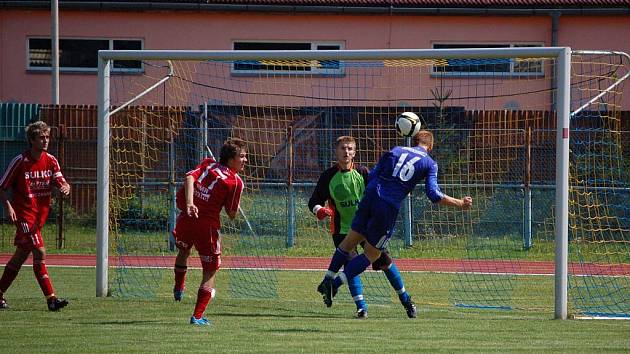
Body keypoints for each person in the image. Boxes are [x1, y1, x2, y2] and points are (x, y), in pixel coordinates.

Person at [317, 130, 473, 313]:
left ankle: (327, 278)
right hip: (387, 206)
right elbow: (434, 194)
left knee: (347, 243)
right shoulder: (430, 163)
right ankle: (335, 284)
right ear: (430, 147)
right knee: (373, 254)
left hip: (370, 197)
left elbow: (374, 174)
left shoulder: (397, 150)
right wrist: (459, 203)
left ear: (413, 141)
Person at [310, 136, 419, 319]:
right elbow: (314, 201)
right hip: (343, 229)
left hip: (368, 227)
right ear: (336, 152)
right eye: (343, 148)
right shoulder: (328, 176)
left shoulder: (363, 172)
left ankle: (406, 300)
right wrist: (319, 210)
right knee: (351, 267)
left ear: (355, 152)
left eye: (350, 149)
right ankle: (361, 308)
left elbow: (379, 192)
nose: (346, 152)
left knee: (385, 262)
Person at [171, 138, 246, 326]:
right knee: (210, 272)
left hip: (186, 219)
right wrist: (234, 204)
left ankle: (179, 287)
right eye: (242, 157)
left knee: (183, 251)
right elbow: (231, 214)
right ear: (230, 160)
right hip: (207, 227)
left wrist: (190, 203)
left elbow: (189, 177)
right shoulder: (235, 182)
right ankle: (197, 316)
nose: (245, 161)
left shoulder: (207, 163)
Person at [0, 121, 71, 311]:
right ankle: (51, 299)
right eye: (41, 137)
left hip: (39, 218)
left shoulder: (51, 160)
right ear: (32, 140)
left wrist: (65, 187)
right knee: (40, 252)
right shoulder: (20, 161)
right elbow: (2, 186)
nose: (45, 140)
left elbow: (61, 181)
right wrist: (8, 206)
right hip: (25, 217)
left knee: (20, 257)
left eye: (47, 137)